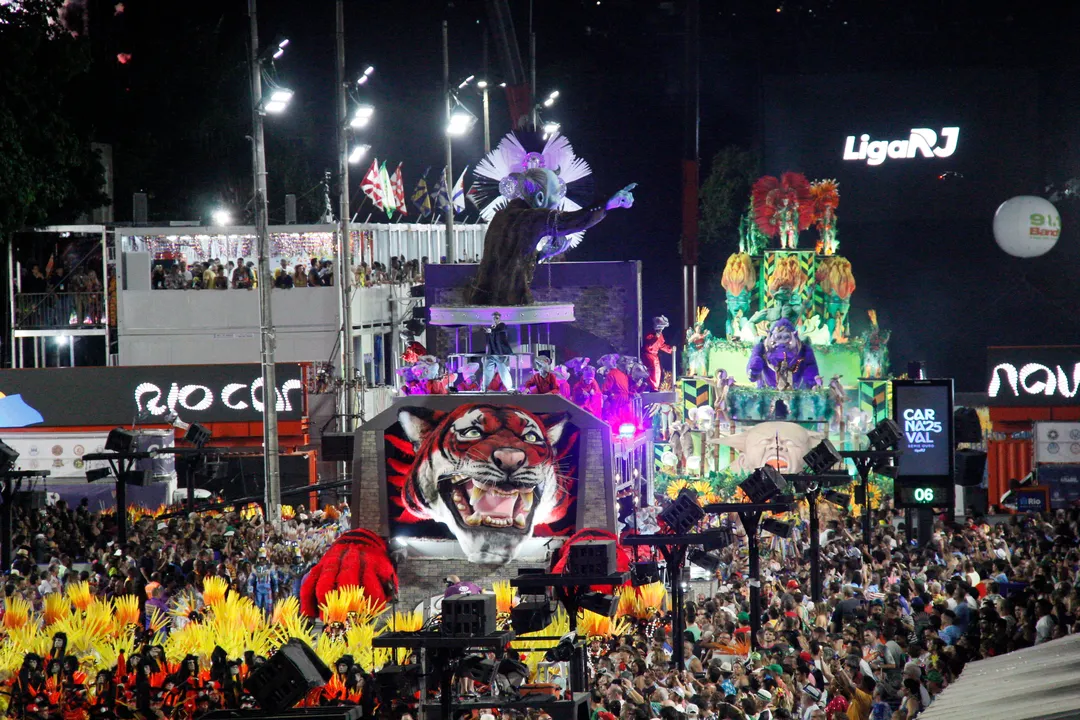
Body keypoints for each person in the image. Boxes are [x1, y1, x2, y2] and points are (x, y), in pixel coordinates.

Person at [482, 311, 515, 392]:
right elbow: (489, 340)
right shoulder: (492, 327)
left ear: (499, 318)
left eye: (497, 317)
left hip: (500, 352)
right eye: (494, 317)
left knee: (503, 370)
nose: (495, 319)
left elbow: (499, 329)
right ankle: (484, 387)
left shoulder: (502, 325)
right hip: (491, 352)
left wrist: (491, 330)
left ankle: (509, 387)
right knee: (487, 370)